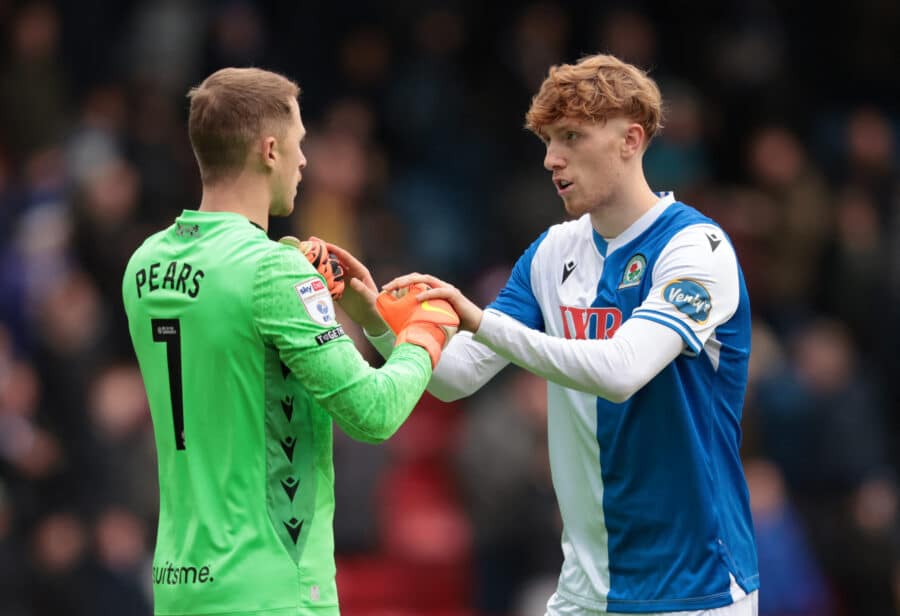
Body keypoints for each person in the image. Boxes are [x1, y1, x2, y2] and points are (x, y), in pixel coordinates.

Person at [331, 53, 760, 615]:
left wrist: (480, 320)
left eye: (572, 137)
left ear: (630, 140)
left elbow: (621, 371)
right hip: (584, 590)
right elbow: (455, 377)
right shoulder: (553, 252)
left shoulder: (696, 249)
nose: (552, 159)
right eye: (548, 141)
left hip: (695, 589)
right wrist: (373, 319)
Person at [121, 67, 457, 616]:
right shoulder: (274, 271)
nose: (304, 161)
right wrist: (423, 332)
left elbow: (232, 346)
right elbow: (374, 413)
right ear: (270, 150)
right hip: (270, 588)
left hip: (179, 583)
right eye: (300, 143)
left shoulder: (145, 264)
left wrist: (335, 304)